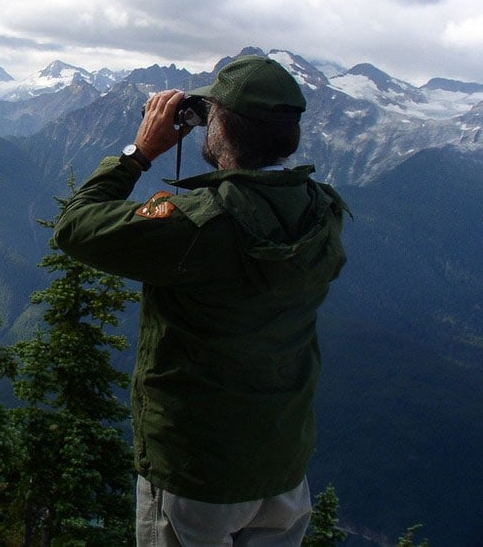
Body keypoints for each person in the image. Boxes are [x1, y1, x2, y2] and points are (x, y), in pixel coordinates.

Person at [53, 54, 350, 546]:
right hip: (282, 467)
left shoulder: (196, 225)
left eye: (211, 115)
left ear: (224, 131)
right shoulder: (322, 215)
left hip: (197, 471)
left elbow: (76, 226)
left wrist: (139, 153)